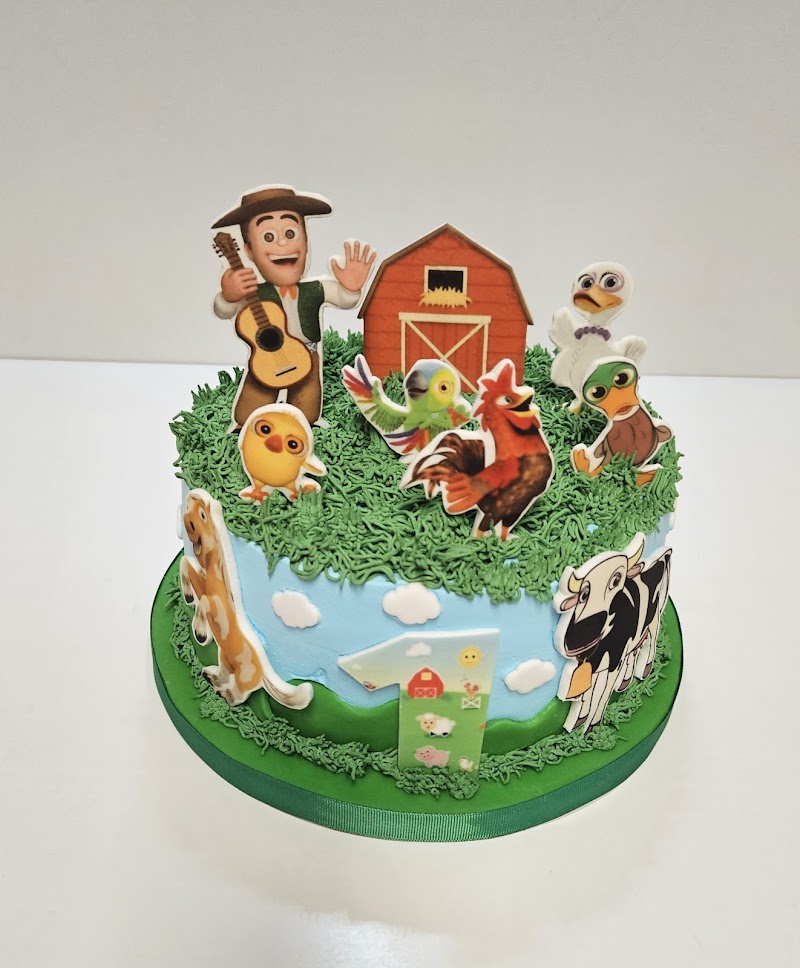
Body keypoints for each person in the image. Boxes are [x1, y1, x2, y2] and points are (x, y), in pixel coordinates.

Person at [212, 184, 376, 427]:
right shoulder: (252, 293)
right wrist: (229, 296)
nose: (282, 243)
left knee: (306, 414)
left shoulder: (315, 289)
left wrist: (351, 288)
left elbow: (344, 299)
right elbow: (224, 310)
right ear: (249, 250)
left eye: (290, 233)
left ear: (306, 241)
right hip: (263, 365)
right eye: (268, 237)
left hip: (307, 358)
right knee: (249, 416)